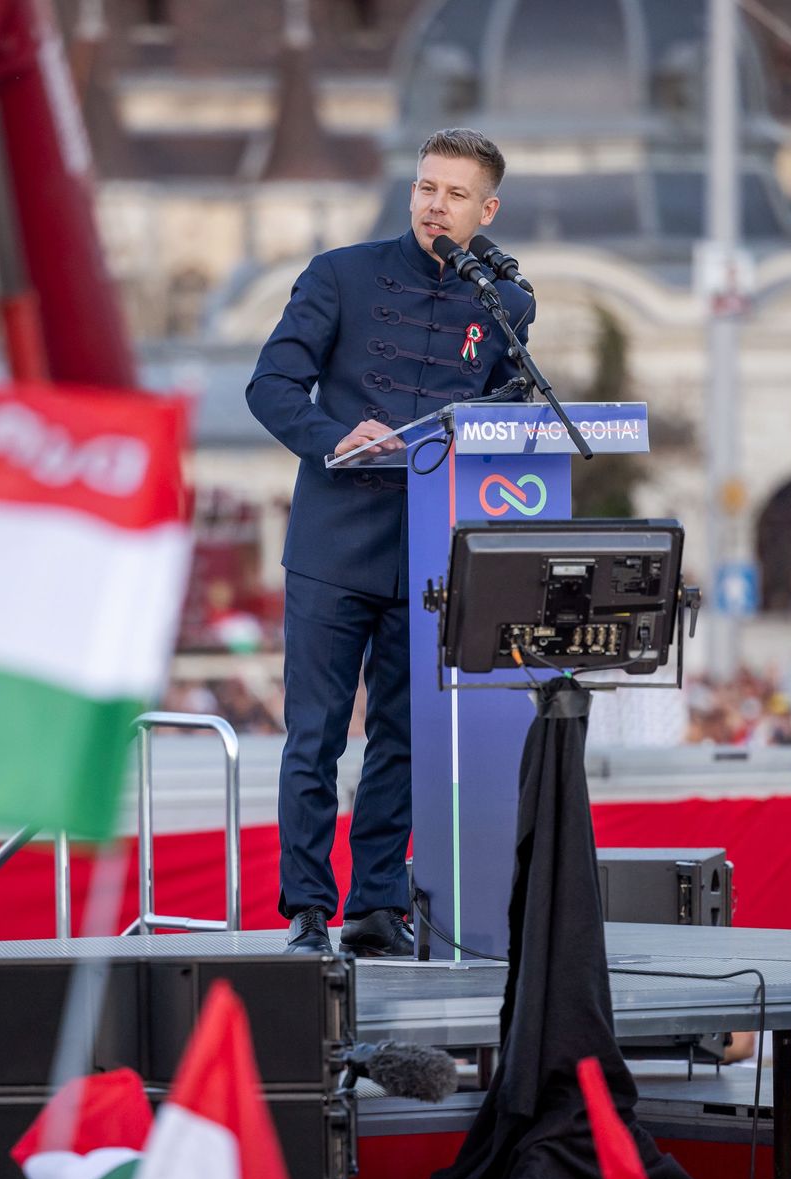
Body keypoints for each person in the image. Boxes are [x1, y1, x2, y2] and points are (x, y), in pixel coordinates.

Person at [246, 128, 534, 956]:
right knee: (316, 737)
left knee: (403, 736)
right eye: (425, 188)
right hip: (334, 543)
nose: (434, 205)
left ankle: (378, 903)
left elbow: (503, 416)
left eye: (453, 195)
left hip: (433, 549)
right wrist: (335, 436)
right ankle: (307, 909)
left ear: (487, 210)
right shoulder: (341, 274)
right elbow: (269, 385)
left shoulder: (507, 305)